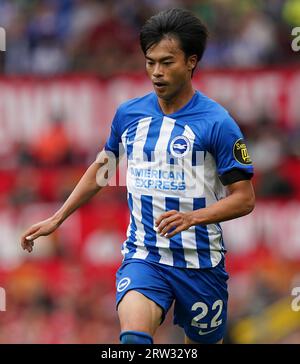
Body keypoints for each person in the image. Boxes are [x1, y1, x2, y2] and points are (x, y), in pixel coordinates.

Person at [21, 8, 255, 344]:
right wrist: (58, 217)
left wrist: (193, 218)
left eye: (167, 62)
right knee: (133, 341)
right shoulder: (129, 114)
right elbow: (103, 170)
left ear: (191, 62)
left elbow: (244, 198)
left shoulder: (217, 123)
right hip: (144, 256)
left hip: (201, 263)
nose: (156, 72)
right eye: (150, 62)